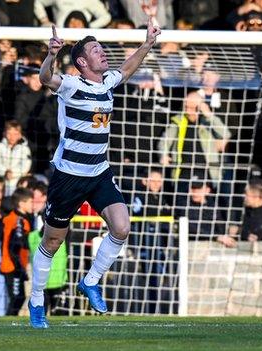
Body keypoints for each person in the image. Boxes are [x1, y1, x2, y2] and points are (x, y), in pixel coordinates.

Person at [28, 20, 161, 328]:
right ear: (82, 62)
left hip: (99, 173)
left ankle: (90, 281)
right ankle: (36, 301)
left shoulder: (107, 82)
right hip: (69, 176)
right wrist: (50, 55)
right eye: (95, 50)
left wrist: (147, 43)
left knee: (122, 226)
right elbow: (46, 78)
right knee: (52, 243)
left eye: (101, 47)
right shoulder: (73, 85)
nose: (103, 52)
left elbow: (126, 70)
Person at [0, 188, 33, 316]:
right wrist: (20, 269)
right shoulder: (19, 221)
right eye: (30, 201)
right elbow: (14, 246)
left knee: (18, 297)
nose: (32, 204)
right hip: (13, 266)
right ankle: (7, 325)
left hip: (12, 264)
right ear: (21, 203)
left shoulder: (11, 218)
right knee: (17, 298)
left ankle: (8, 323)